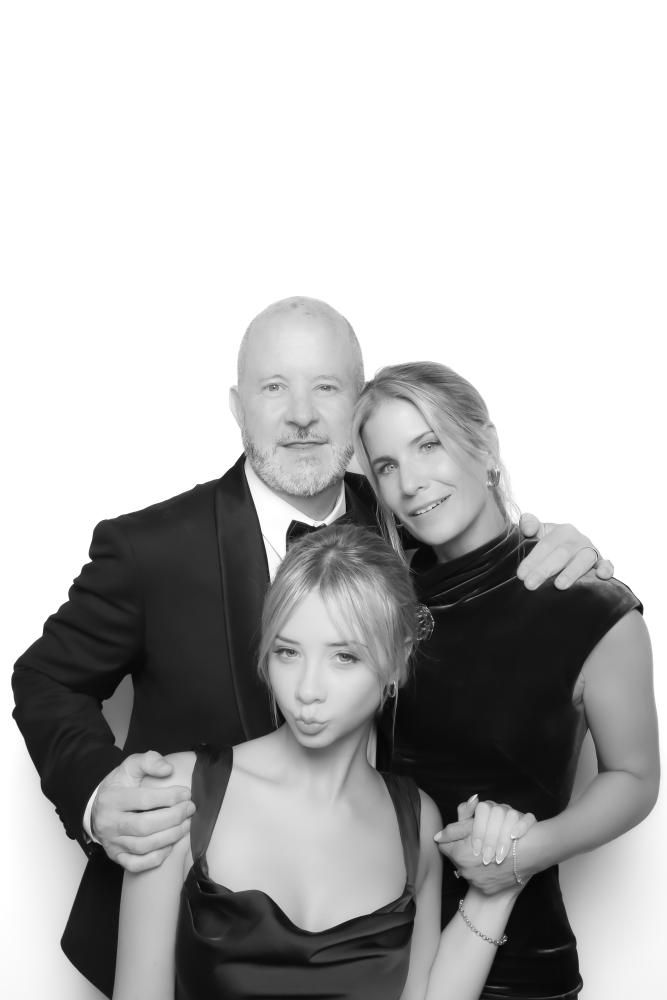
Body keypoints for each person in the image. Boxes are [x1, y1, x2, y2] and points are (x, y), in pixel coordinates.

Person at [12, 297, 609, 997]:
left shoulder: (412, 526)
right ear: (237, 406)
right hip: (185, 940)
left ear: (357, 407)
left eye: (325, 387)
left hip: (382, 936)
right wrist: (96, 796)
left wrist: (555, 553)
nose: (300, 414)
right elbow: (46, 679)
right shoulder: (151, 549)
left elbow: (492, 573)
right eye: (274, 387)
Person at [113, 524, 533, 1000]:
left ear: (398, 661)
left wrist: (496, 893)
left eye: (344, 657)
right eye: (287, 652)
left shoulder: (416, 821)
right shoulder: (179, 792)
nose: (307, 690)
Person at [352, 361, 660, 1000]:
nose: (410, 482)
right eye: (386, 466)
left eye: (429, 444)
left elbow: (634, 778)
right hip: (370, 956)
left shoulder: (589, 603)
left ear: (485, 445)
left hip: (515, 967)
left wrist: (523, 855)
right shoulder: (376, 599)